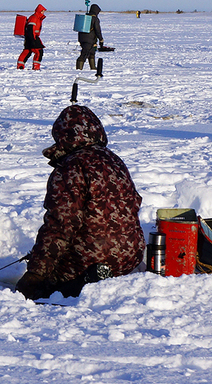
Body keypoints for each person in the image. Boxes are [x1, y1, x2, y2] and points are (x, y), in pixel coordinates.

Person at [14, 105, 143, 300]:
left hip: (90, 260)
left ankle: (75, 285)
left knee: (49, 283)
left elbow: (60, 226)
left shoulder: (70, 167)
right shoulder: (114, 160)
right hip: (129, 258)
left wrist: (36, 274)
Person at [17, 4, 47, 70]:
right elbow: (30, 29)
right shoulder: (34, 18)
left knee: (27, 51)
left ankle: (20, 66)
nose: (43, 13)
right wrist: (32, 39)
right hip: (32, 37)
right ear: (39, 11)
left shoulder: (37, 18)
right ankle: (36, 67)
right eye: (42, 11)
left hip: (31, 37)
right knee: (39, 51)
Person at [76, 4, 104, 72]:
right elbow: (97, 30)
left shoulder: (85, 17)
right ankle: (78, 69)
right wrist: (101, 39)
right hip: (90, 39)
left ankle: (93, 67)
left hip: (82, 38)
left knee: (91, 52)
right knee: (84, 53)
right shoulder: (95, 19)